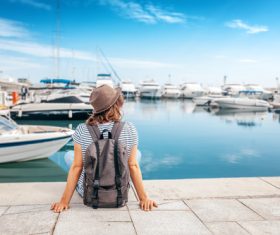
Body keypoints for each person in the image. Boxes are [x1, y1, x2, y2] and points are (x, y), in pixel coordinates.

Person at [51, 85, 157, 212]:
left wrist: (64, 202)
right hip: (118, 190)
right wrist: (143, 199)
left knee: (69, 155)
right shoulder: (129, 128)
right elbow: (133, 166)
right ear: (116, 104)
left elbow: (77, 167)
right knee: (135, 156)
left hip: (89, 191)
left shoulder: (81, 129)